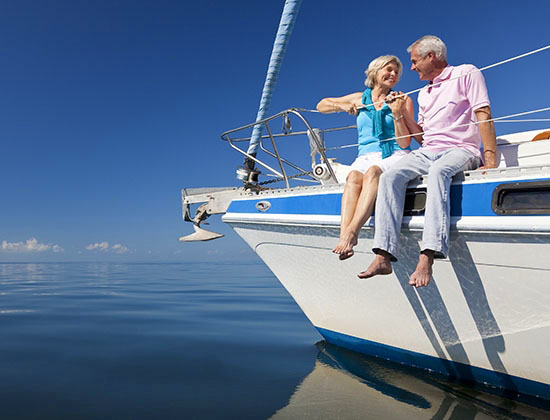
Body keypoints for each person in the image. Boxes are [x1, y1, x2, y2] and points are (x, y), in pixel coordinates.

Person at [359, 35, 498, 286]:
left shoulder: (466, 73)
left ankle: (427, 256)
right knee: (390, 177)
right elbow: (421, 138)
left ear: (430, 56)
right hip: (429, 150)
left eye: (414, 61)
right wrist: (399, 114)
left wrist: (490, 160)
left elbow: (483, 113)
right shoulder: (424, 94)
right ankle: (383, 256)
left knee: (438, 172)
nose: (411, 68)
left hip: (461, 148)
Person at [316, 55, 415, 260]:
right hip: (365, 154)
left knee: (373, 172)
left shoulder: (403, 100)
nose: (393, 74)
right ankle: (344, 235)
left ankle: (352, 233)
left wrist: (396, 113)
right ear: (375, 72)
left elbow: (405, 142)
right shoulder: (359, 98)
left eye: (396, 72)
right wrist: (341, 106)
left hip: (394, 152)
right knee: (353, 178)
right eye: (388, 70)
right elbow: (321, 105)